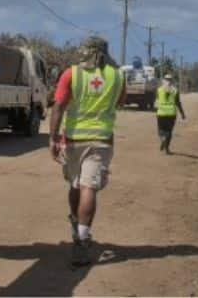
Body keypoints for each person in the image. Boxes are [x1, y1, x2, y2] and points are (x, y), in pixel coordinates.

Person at [48, 36, 126, 266]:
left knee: (76, 185)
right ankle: (81, 238)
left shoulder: (71, 74)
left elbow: (59, 105)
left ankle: (77, 227)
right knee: (88, 187)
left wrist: (53, 138)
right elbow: (120, 103)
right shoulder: (118, 76)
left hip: (73, 140)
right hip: (102, 140)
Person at [154, 73, 186, 154]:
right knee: (169, 131)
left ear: (164, 80)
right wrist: (182, 113)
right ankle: (167, 149)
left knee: (160, 130)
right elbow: (178, 103)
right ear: (172, 81)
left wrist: (155, 110)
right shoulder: (175, 90)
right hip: (171, 113)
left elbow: (156, 102)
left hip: (161, 113)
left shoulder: (159, 90)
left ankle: (162, 139)